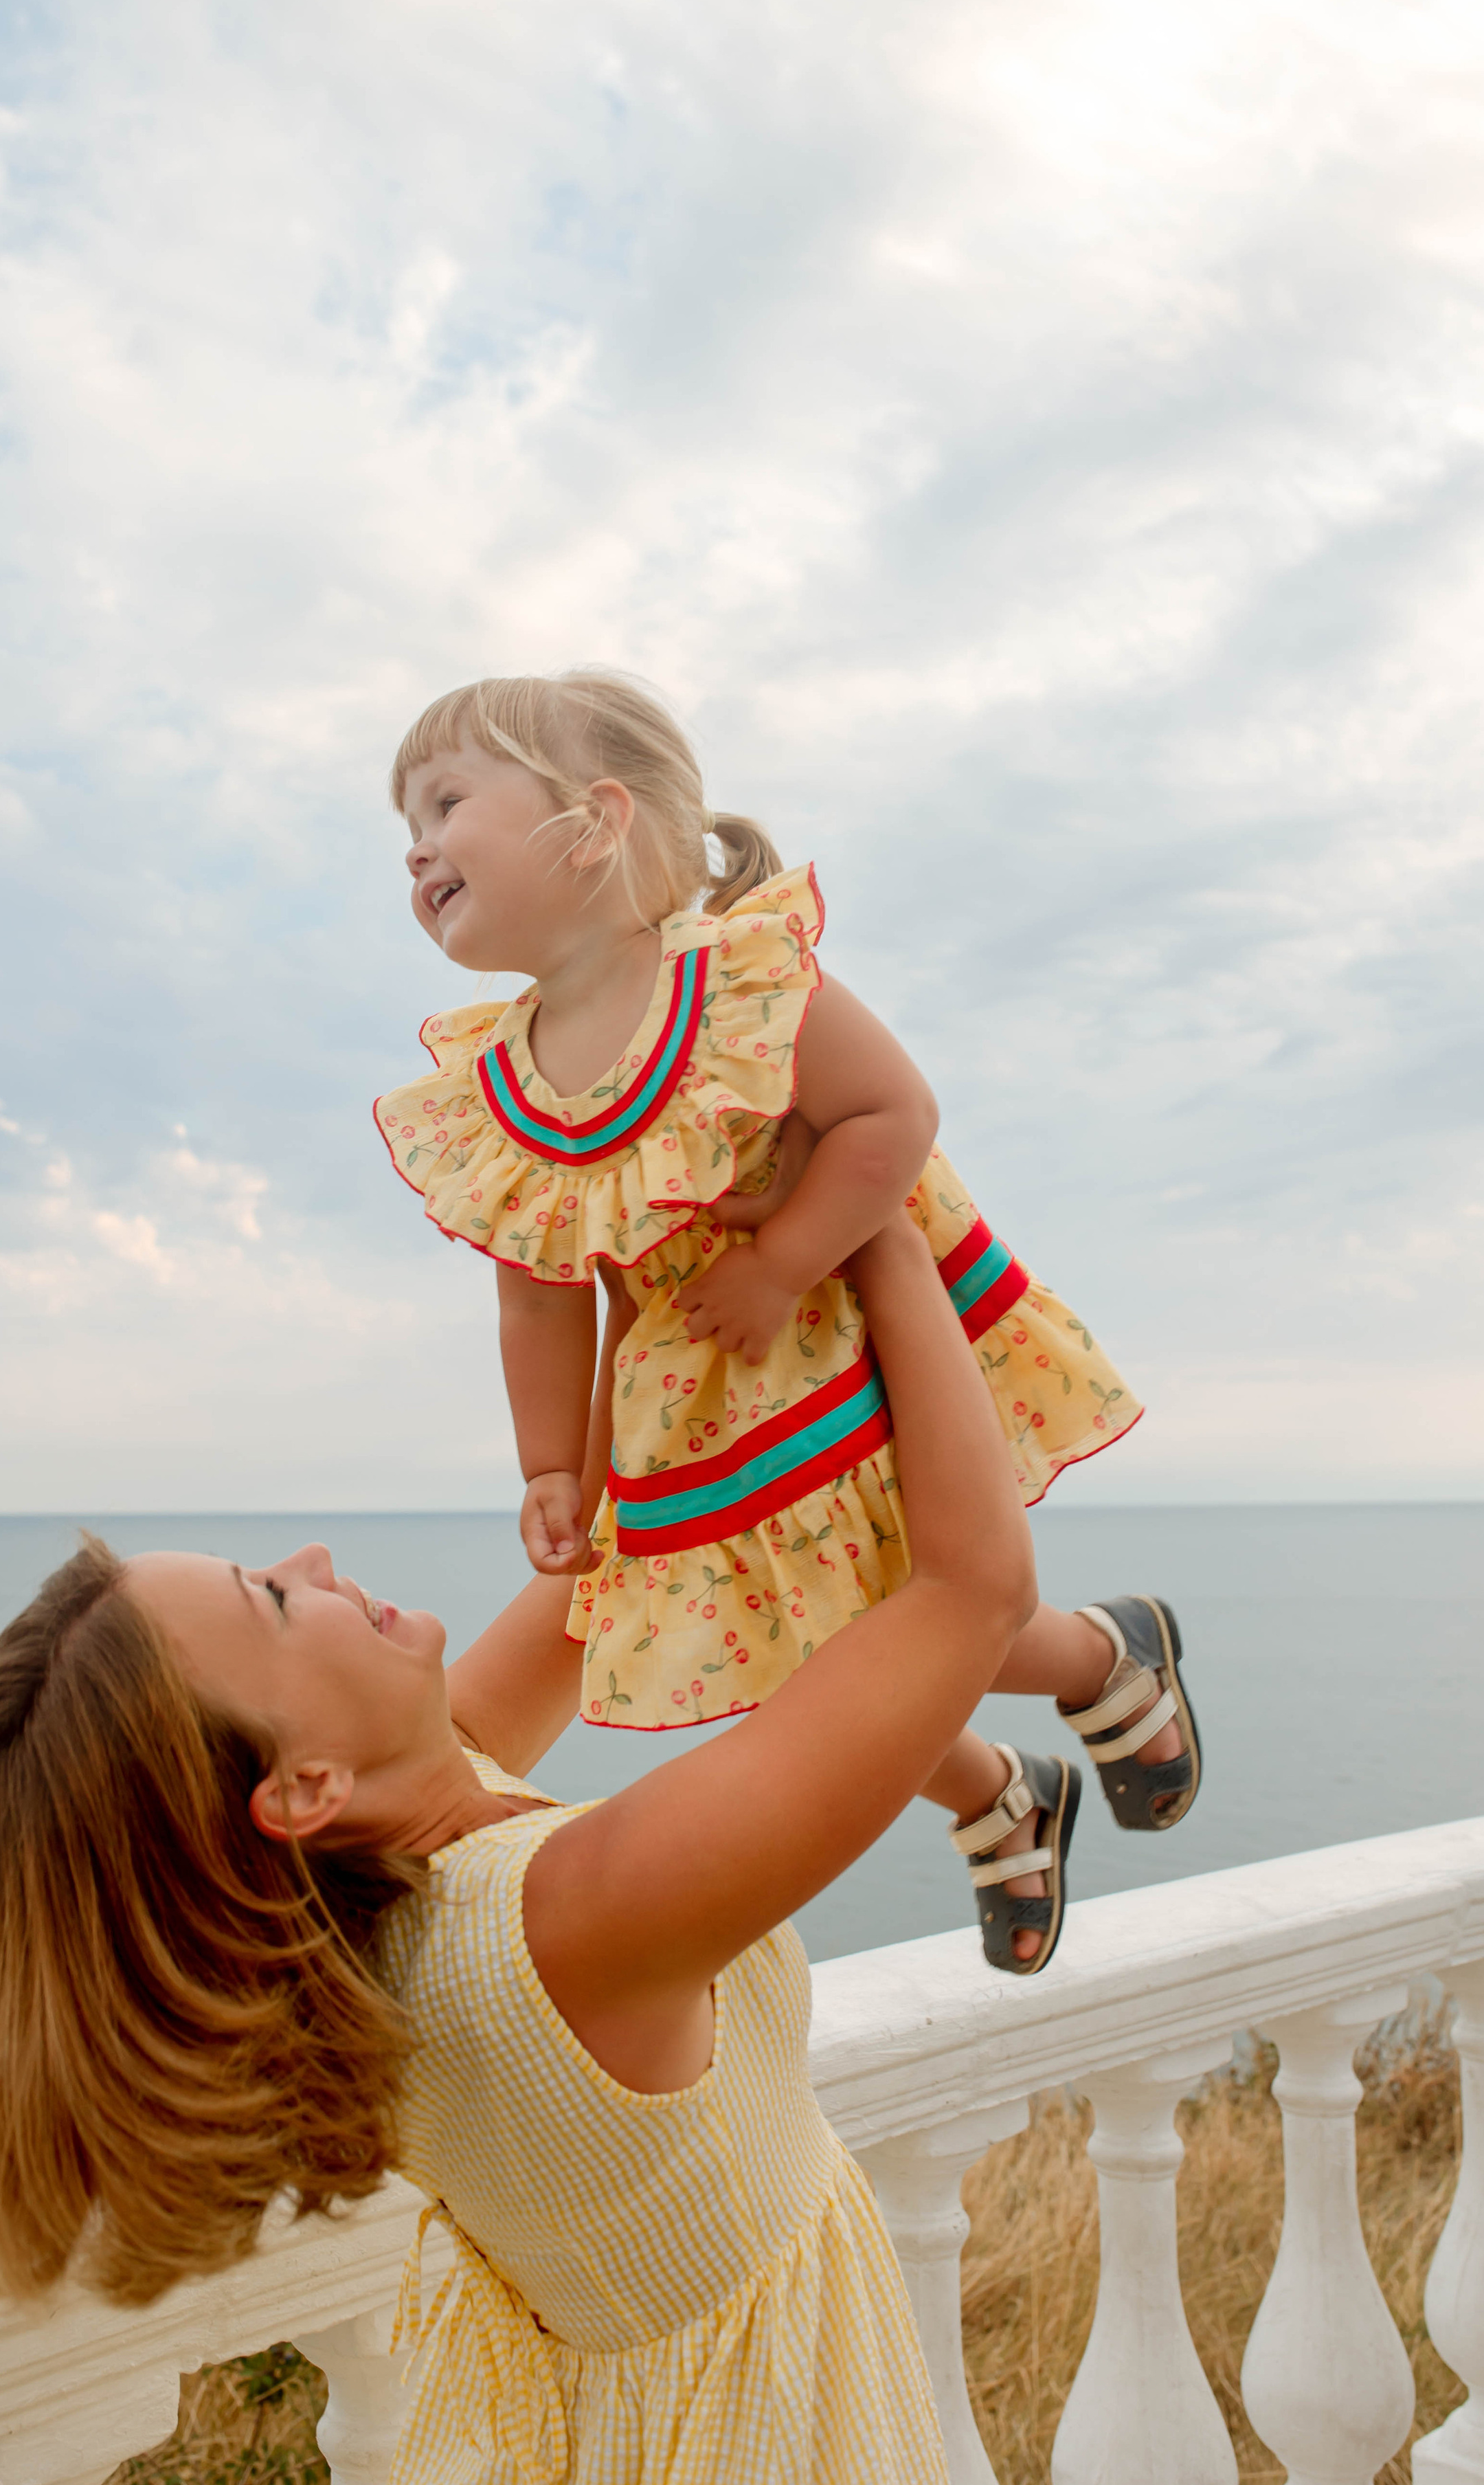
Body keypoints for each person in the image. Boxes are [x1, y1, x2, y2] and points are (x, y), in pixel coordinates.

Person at [0, 1214, 1046, 2485]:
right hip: (759, 2448)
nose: (314, 1559)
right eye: (272, 1597)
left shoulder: (381, 1883)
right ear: (303, 1785)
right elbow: (974, 1591)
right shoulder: (567, 1926)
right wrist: (877, 1238)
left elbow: (623, 1560)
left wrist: (644, 1264)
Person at [374, 669, 1202, 1972]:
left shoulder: (734, 980)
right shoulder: (502, 1079)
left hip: (845, 1349)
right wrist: (550, 1465)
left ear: (591, 819)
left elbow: (892, 1117)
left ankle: (1101, 1658)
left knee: (888, 1623)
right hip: (693, 1409)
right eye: (403, 827)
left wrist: (782, 1263)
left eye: (445, 800)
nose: (415, 846)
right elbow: (536, 1292)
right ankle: (1004, 1792)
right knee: (797, 1659)